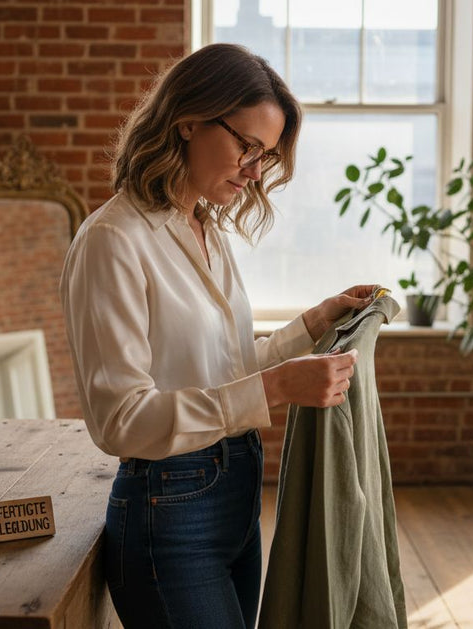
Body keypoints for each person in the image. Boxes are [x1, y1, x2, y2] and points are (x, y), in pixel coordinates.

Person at [60, 42, 378, 628]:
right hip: (168, 511)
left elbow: (224, 365)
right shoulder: (113, 241)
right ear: (187, 120)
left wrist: (313, 323)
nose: (256, 171)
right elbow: (119, 419)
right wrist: (276, 389)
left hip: (236, 495)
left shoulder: (205, 228)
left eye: (267, 155)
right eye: (247, 146)